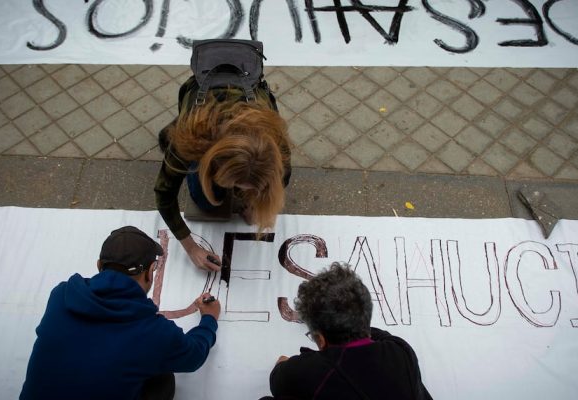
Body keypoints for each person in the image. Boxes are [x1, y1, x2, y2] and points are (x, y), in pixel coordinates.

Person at [19, 226, 220, 400]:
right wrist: (209, 319)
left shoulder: (61, 294)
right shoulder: (153, 333)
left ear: (99, 265)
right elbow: (194, 355)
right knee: (162, 381)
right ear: (151, 272)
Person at [155, 75, 292, 272]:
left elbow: (282, 179)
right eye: (235, 184)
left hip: (246, 90)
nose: (239, 192)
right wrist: (191, 248)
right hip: (201, 96)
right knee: (207, 202)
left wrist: (256, 205)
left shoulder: (277, 145)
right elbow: (163, 193)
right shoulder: (190, 141)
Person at [267, 263, 432, 399]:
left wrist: (285, 364)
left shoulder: (310, 373)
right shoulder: (400, 351)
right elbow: (378, 334)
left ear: (320, 339)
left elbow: (277, 380)